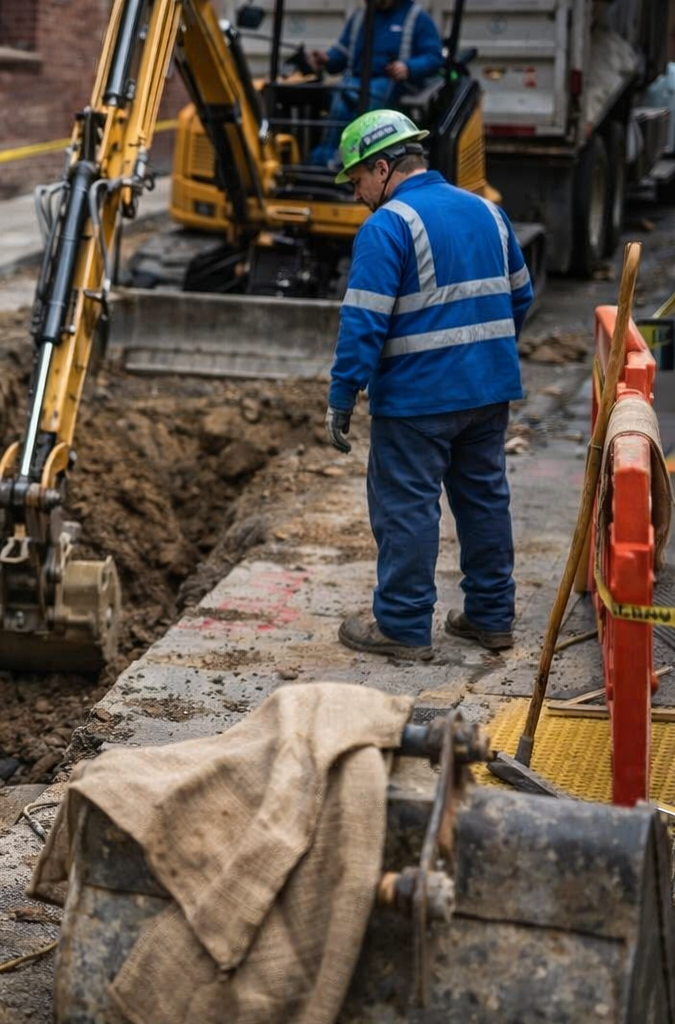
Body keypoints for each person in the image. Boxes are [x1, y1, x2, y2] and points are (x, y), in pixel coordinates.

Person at [323, 109, 534, 661]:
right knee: (484, 499)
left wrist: (342, 395)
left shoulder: (388, 226)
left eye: (358, 180)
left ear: (385, 166)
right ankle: (491, 618)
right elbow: (521, 299)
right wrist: (481, 354)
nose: (357, 194)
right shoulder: (488, 212)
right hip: (488, 393)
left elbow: (363, 322)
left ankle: (403, 626)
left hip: (417, 401)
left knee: (407, 508)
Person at [308, 0, 444, 167]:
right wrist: (328, 58)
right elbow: (342, 52)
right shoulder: (360, 17)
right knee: (340, 96)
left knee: (369, 100)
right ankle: (323, 158)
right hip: (356, 82)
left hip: (393, 85)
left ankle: (355, 161)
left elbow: (433, 57)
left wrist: (408, 67)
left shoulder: (417, 18)